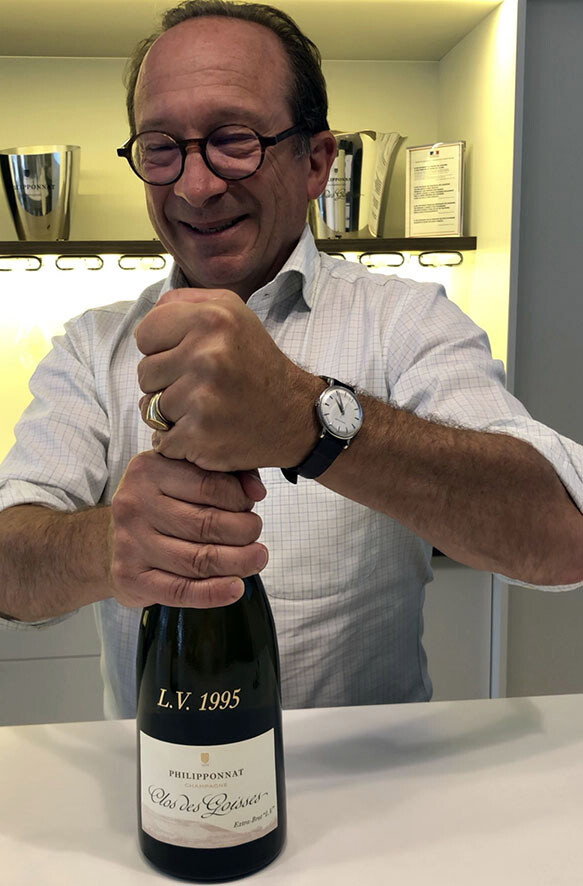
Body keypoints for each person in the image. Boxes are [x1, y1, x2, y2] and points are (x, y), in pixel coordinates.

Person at [1, 0, 582, 720]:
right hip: (166, 773)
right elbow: (9, 560)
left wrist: (310, 422)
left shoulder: (405, 320)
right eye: (160, 147)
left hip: (376, 778)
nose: (195, 186)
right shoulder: (93, 346)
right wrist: (107, 544)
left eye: (233, 139)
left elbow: (561, 538)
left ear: (315, 162)